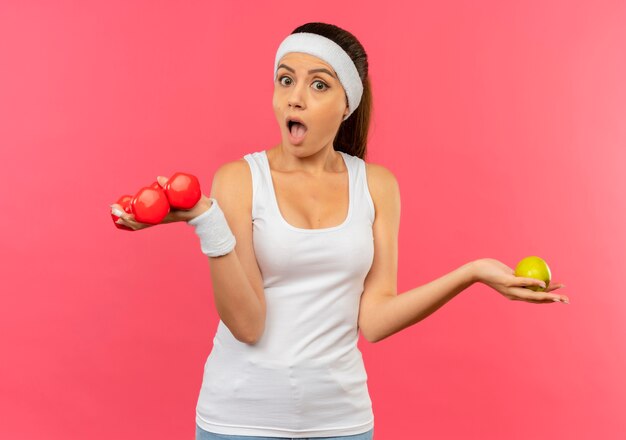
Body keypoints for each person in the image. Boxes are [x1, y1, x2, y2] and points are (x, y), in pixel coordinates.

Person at [111, 22, 569, 440]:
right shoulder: (239, 179)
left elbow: (374, 319)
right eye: (286, 79)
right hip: (238, 418)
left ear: (346, 104)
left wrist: (471, 273)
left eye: (318, 85)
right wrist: (207, 222)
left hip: (342, 422)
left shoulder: (376, 185)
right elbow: (247, 324)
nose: (295, 97)